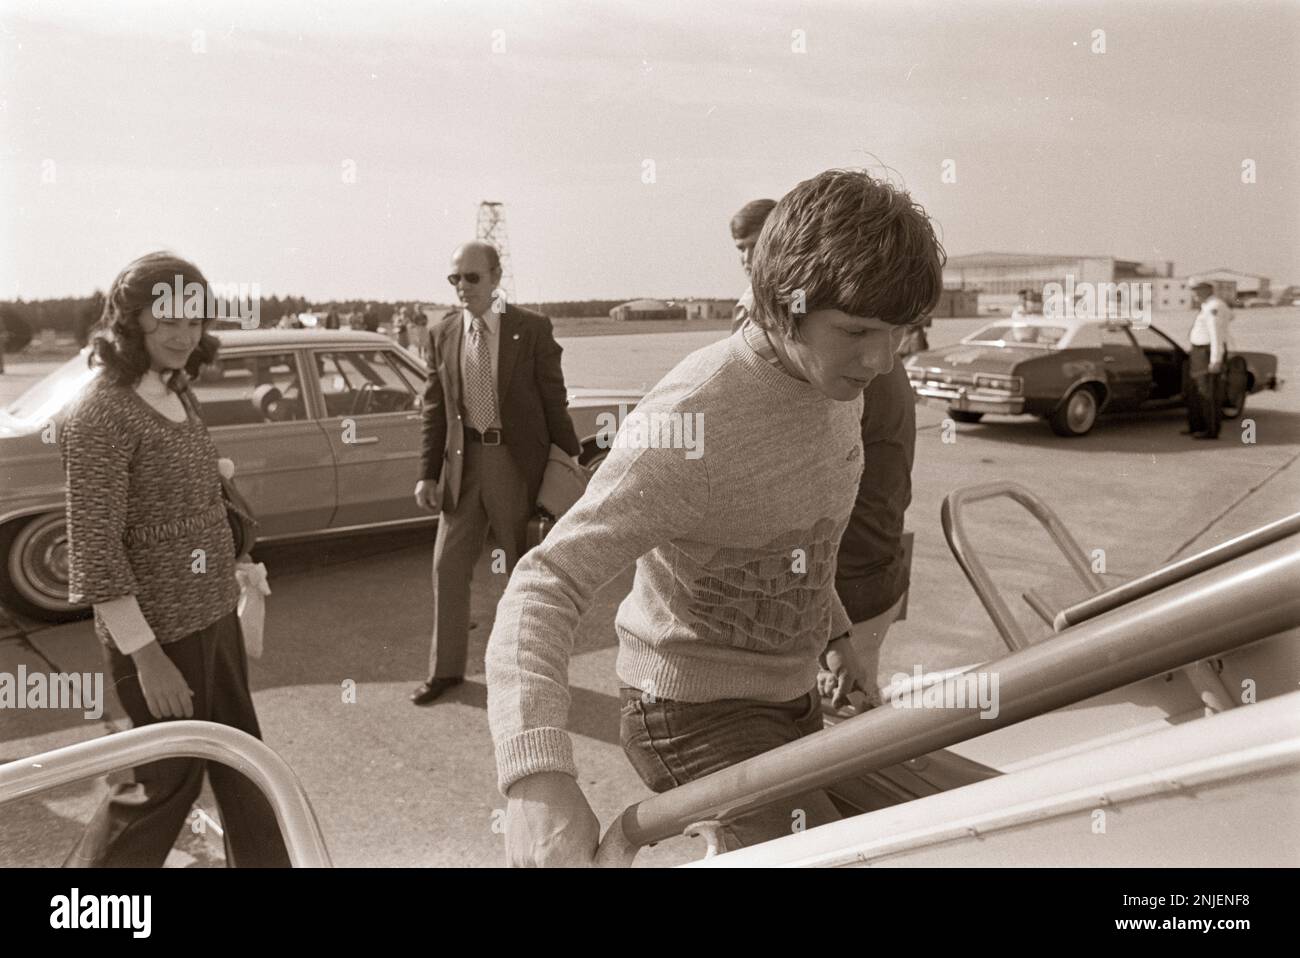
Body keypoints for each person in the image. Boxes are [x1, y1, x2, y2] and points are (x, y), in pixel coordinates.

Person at [486, 168, 943, 865]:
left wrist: (838, 633)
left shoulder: (836, 382)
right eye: (857, 330)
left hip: (792, 695)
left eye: (898, 333)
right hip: (688, 710)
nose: (882, 360)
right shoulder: (691, 422)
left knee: (942, 827)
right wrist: (535, 779)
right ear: (785, 306)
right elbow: (544, 584)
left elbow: (800, 537)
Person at [61, 252, 289, 868]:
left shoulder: (174, 390)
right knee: (163, 785)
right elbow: (95, 550)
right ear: (129, 322)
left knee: (244, 764)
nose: (183, 333)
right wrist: (148, 657)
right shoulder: (102, 413)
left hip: (212, 618)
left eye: (194, 318)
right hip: (158, 639)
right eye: (165, 319)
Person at [410, 241, 582, 706]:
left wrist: (569, 462)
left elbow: (553, 402)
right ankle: (445, 671)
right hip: (462, 469)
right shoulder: (443, 334)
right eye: (454, 279)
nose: (462, 288)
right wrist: (427, 474)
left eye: (472, 278)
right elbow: (434, 410)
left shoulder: (531, 329)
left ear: (496, 276)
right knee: (447, 568)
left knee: (524, 574)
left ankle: (528, 674)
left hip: (513, 465)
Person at [1185, 280, 1232, 439]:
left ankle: (1210, 430)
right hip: (1199, 352)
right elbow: (1232, 317)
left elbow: (1216, 335)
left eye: (1198, 290)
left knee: (1208, 393)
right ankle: (1196, 426)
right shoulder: (1207, 305)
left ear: (1208, 290)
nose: (1194, 294)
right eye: (1193, 291)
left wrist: (1215, 359)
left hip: (1207, 353)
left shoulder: (1214, 307)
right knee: (1196, 392)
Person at [729, 198, 778, 333]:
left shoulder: (800, 298)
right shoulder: (747, 302)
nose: (747, 258)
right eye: (741, 249)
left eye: (756, 246)